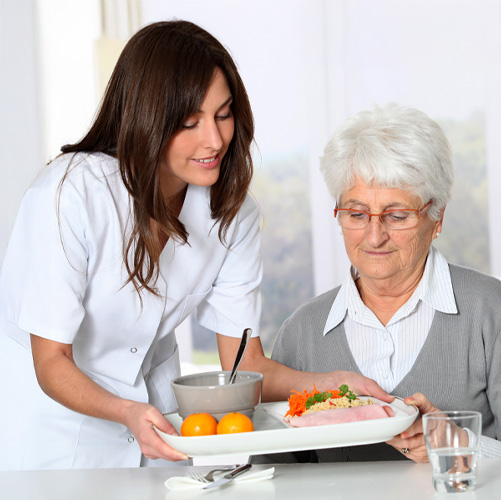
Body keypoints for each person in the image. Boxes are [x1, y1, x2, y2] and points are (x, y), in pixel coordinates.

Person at [0, 20, 388, 471]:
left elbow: (247, 365)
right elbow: (50, 361)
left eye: (223, 114)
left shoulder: (231, 213)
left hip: (158, 421)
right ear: (146, 119)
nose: (215, 140)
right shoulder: (69, 193)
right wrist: (127, 411)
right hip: (55, 428)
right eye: (190, 122)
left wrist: (336, 386)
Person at [270, 103, 501, 463]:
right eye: (356, 214)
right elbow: (270, 472)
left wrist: (461, 448)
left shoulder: (493, 311)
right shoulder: (301, 333)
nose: (374, 236)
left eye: (397, 215)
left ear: (437, 217)